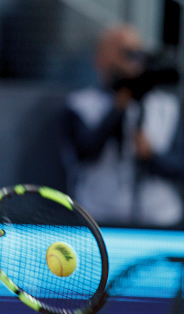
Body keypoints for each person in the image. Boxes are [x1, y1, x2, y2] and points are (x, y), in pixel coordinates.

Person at [61, 24, 184, 227]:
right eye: (123, 54)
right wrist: (120, 104)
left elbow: (179, 166)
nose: (131, 63)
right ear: (100, 59)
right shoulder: (81, 105)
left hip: (160, 219)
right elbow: (84, 152)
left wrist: (151, 155)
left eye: (135, 54)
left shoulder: (168, 107)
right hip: (98, 218)